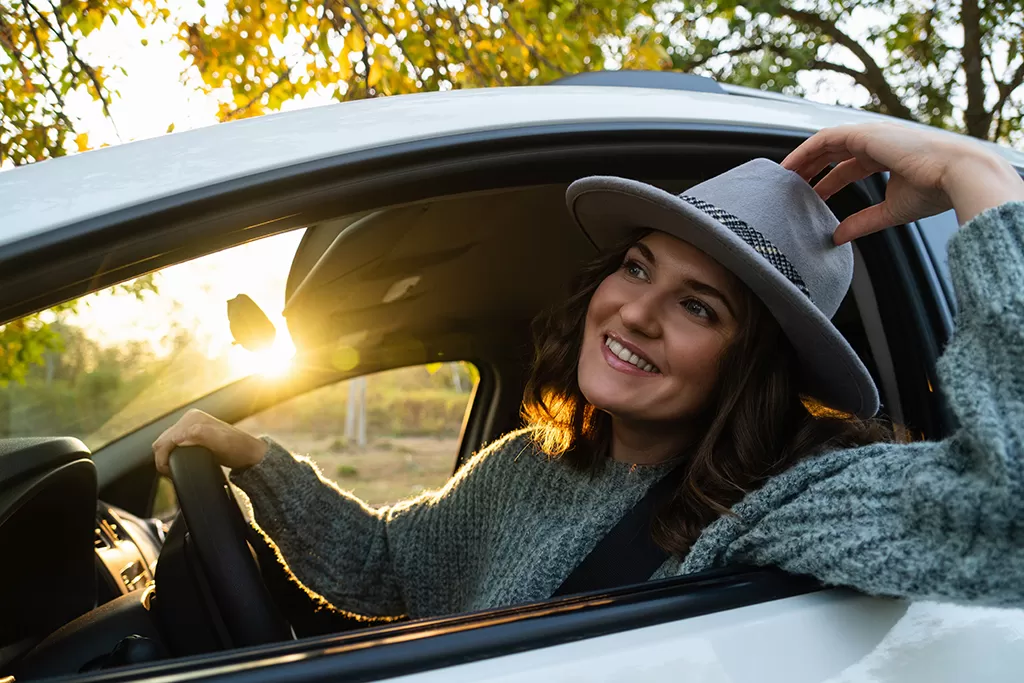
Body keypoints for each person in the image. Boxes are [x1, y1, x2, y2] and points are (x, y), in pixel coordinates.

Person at [153, 122, 1024, 621]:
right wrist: (258, 462)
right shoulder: (534, 463)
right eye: (638, 267)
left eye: (698, 306)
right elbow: (389, 565)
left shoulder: (789, 498)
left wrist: (976, 171)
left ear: (748, 365)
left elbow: (1010, 507)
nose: (637, 311)